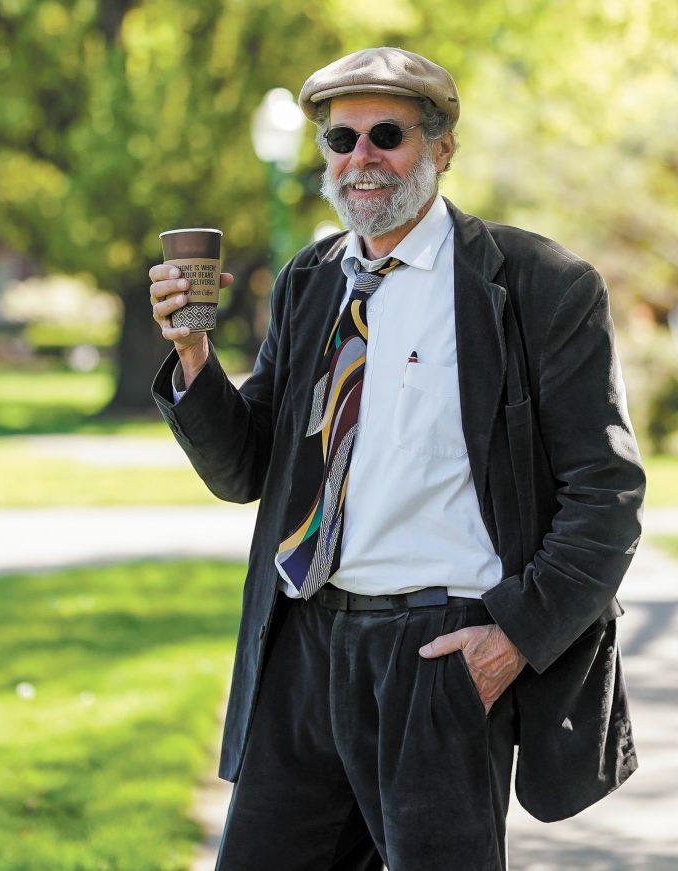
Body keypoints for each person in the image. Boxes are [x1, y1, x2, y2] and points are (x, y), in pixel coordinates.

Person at [148, 46, 644, 871]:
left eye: (387, 134)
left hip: (440, 658)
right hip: (305, 644)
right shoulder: (312, 281)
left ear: (442, 147)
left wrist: (512, 638)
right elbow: (247, 470)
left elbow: (607, 495)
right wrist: (194, 355)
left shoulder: (538, 285)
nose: (361, 159)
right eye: (341, 141)